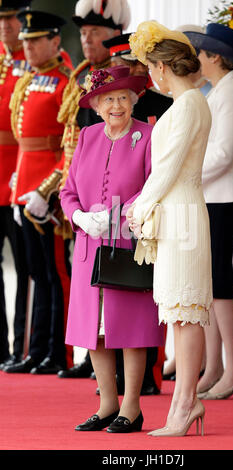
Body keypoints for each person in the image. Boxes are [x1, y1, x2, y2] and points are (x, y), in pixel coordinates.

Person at [60, 65, 165, 433]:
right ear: (97, 104)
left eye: (123, 97)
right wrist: (79, 217)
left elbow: (155, 185)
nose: (116, 105)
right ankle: (107, 405)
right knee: (96, 331)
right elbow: (68, 190)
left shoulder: (149, 135)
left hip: (128, 243)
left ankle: (132, 408)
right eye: (108, 99)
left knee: (131, 330)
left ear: (134, 100)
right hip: (90, 246)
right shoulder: (87, 136)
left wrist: (121, 211)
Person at [127, 20, 213, 437]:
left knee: (187, 314)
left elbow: (166, 168)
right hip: (175, 215)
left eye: (148, 66)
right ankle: (184, 403)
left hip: (182, 216)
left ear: (161, 68)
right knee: (180, 315)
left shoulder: (190, 104)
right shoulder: (186, 104)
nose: (149, 74)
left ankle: (185, 404)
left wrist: (137, 208)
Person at [57, 0, 130, 380]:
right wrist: (77, 208)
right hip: (84, 201)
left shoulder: (136, 106)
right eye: (82, 35)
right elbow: (75, 144)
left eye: (93, 34)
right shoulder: (85, 79)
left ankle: (140, 381)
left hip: (127, 222)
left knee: (129, 309)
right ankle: (91, 366)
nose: (85, 42)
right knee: (88, 298)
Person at [185, 23, 233, 400]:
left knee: (219, 282)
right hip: (214, 195)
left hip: (224, 196)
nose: (197, 58)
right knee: (212, 284)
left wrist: (186, 170)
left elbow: (225, 153)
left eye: (201, 52)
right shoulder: (220, 91)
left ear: (214, 57)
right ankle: (215, 368)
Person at [102, 31, 173, 396]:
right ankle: (113, 378)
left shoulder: (163, 105)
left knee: (143, 296)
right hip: (108, 217)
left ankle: (148, 375)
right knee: (111, 297)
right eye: (119, 64)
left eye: (131, 64)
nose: (124, 70)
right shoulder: (104, 107)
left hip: (149, 215)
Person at [3, 10, 73, 374]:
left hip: (49, 189)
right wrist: (18, 182)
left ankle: (60, 351)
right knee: (34, 272)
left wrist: (48, 189)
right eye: (26, 41)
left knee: (55, 272)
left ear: (54, 42)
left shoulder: (64, 81)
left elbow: (67, 142)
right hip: (24, 183)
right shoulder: (28, 81)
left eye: (35, 41)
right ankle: (38, 349)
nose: (27, 47)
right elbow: (21, 140)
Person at [0, 0, 31, 369]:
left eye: (9, 18)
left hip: (21, 178)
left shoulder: (37, 60)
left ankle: (25, 348)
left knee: (28, 270)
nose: (5, 26)